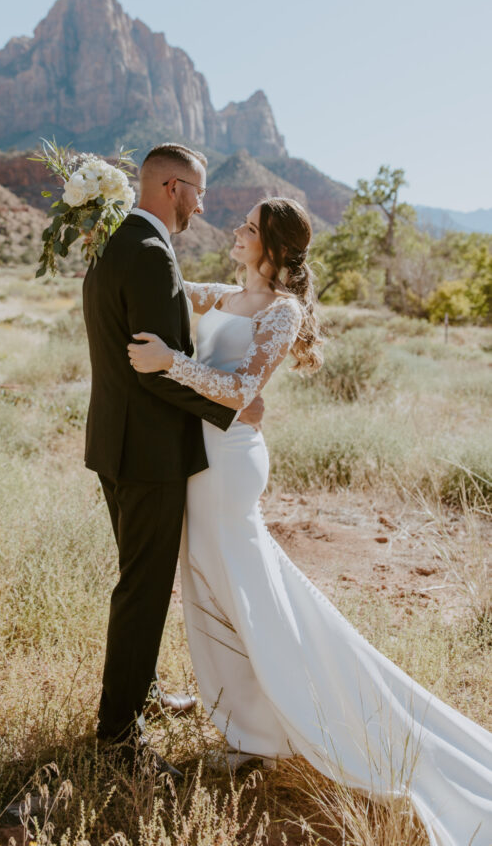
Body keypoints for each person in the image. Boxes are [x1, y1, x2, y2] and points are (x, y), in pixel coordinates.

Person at [128, 196, 492, 846]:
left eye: (245, 228)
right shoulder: (226, 296)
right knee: (208, 586)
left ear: (270, 245)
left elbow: (242, 393)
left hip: (230, 465)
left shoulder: (281, 310)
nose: (234, 232)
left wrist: (170, 365)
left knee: (245, 588)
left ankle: (281, 725)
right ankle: (249, 732)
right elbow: (172, 286)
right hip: (195, 459)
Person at [82, 143, 264, 776]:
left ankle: (144, 691)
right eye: (199, 192)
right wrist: (233, 411)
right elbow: (153, 369)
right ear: (170, 188)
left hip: (114, 442)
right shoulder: (152, 253)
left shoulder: (110, 242)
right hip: (150, 454)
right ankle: (118, 741)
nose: (204, 204)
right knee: (143, 589)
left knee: (141, 580)